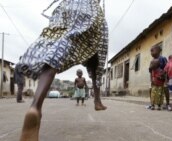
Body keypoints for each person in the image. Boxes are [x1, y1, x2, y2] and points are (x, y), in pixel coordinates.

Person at [18, 0, 108, 140]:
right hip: (91, 10)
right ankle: (97, 101)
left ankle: (35, 106)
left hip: (68, 6)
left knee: (58, 48)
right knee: (96, 60)